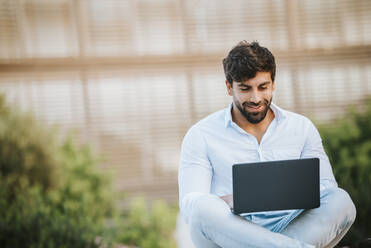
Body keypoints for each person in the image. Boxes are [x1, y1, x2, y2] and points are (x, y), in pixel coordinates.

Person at [178, 41, 356, 248]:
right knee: (203, 209)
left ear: (273, 84)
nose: (256, 98)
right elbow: (190, 204)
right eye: (245, 89)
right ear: (229, 87)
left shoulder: (302, 128)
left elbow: (326, 187)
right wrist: (226, 201)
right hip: (231, 233)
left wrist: (281, 195)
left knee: (340, 200)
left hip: (293, 224)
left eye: (263, 87)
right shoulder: (201, 134)